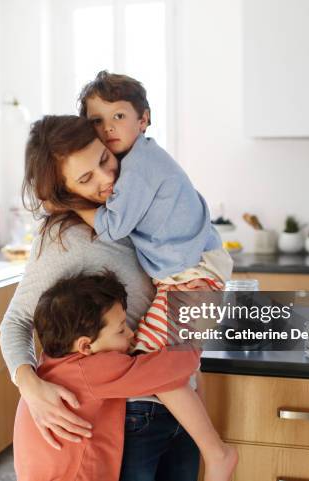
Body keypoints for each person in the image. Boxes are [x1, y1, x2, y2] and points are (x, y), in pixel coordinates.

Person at [1, 114, 210, 481]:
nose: (107, 179)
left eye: (103, 159)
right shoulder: (67, 241)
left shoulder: (136, 208)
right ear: (65, 192)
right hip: (132, 417)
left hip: (179, 401)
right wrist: (30, 385)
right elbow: (16, 321)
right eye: (86, 179)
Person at [68, 71, 238, 479]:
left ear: (143, 119)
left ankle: (215, 452)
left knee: (150, 362)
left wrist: (64, 200)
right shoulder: (141, 160)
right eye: (97, 120)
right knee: (175, 363)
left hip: (191, 277)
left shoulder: (140, 167)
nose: (108, 128)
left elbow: (110, 226)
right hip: (193, 273)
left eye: (119, 116)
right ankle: (209, 450)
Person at [13, 270, 201, 481]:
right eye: (121, 330)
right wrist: (194, 345)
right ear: (85, 345)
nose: (131, 334)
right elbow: (166, 369)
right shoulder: (93, 369)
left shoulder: (48, 361)